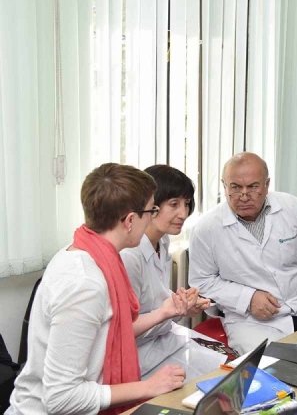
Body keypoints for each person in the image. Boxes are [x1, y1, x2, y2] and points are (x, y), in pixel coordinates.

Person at [7, 163, 188, 415]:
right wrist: (147, 387)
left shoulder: (89, 253)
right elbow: (62, 398)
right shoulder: (85, 284)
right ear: (130, 221)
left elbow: (108, 330)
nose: (152, 217)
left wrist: (162, 312)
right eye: (151, 210)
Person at [188, 152, 297, 354]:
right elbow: (202, 281)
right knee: (277, 367)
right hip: (249, 321)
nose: (243, 196)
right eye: (235, 187)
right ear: (224, 186)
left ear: (267, 185)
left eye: (253, 187)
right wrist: (247, 298)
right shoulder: (206, 228)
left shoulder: (292, 208)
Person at [121, 165, 227, 381]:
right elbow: (122, 329)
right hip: (138, 352)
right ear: (150, 204)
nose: (184, 213)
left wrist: (183, 306)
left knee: (230, 363)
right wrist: (172, 311)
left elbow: (154, 297)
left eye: (186, 204)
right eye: (174, 204)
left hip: (162, 338)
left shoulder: (162, 239)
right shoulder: (129, 255)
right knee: (215, 379)